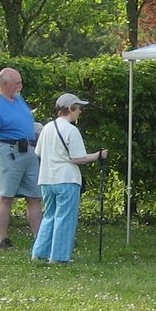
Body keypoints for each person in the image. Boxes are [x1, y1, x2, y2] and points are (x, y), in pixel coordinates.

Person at [32, 92, 107, 264]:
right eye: (78, 108)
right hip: (66, 179)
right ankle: (59, 257)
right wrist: (98, 155)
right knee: (65, 218)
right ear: (70, 108)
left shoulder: (46, 128)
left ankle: (39, 253)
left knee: (49, 216)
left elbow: (38, 153)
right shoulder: (71, 131)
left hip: (47, 179)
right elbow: (77, 158)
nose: (80, 111)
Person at [0, 67, 41, 250]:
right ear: (5, 84)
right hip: (9, 151)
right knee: (6, 196)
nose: (20, 86)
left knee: (35, 196)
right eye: (17, 83)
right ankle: (3, 239)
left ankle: (40, 238)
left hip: (29, 150)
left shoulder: (18, 99)